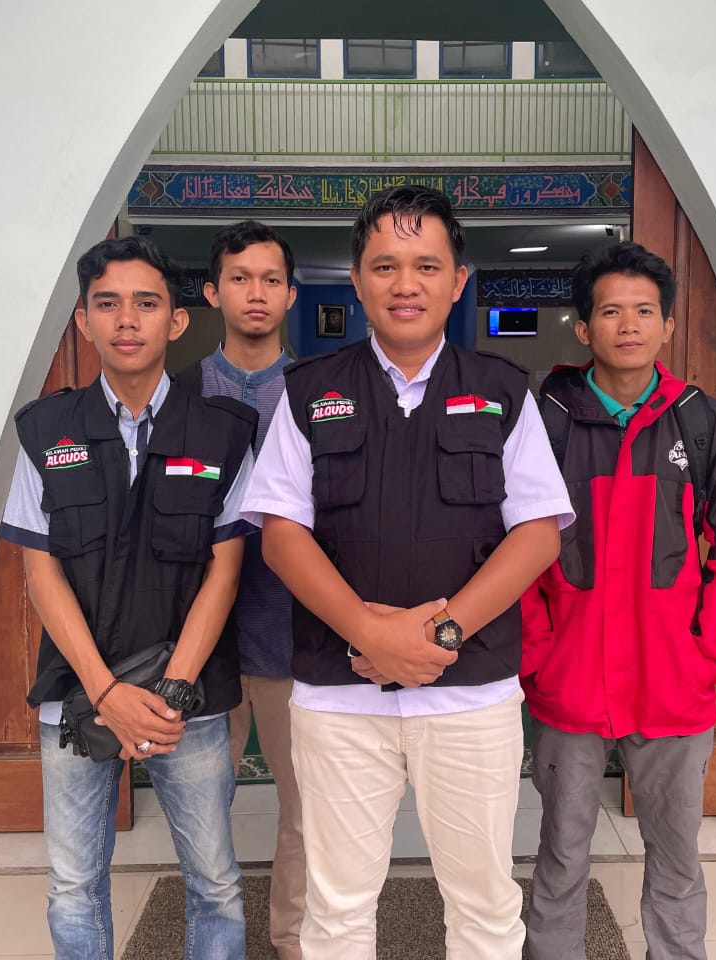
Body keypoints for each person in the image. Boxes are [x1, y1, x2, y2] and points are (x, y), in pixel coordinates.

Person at [240, 184, 573, 959]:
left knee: (486, 905)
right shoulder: (308, 392)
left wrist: (440, 633)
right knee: (336, 909)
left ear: (458, 281)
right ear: (357, 282)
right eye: (385, 265)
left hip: (471, 694)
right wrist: (369, 633)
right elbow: (282, 535)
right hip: (338, 695)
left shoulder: (502, 390)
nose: (405, 284)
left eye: (427, 265)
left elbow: (536, 536)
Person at [0, 235, 256, 960]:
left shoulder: (223, 433)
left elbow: (224, 573)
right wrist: (106, 692)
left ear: (177, 320)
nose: (127, 320)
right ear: (84, 321)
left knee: (216, 883)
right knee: (73, 885)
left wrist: (171, 693)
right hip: (78, 696)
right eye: (107, 304)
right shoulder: (45, 431)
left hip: (187, 702)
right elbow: (41, 573)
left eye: (147, 303)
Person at [521, 242, 716, 960]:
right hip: (568, 682)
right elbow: (513, 552)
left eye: (645, 311)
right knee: (561, 853)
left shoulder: (705, 424)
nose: (628, 325)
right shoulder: (544, 422)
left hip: (672, 687)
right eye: (610, 312)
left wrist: (708, 660)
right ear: (583, 328)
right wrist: (537, 656)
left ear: (668, 326)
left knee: (677, 858)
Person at [194, 220, 306, 960]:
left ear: (291, 294)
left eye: (270, 279)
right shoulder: (179, 397)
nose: (255, 293)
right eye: (240, 278)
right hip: (199, 644)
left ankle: (292, 938)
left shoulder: (319, 396)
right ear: (213, 292)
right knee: (202, 810)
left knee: (307, 808)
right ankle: (219, 939)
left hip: (294, 635)